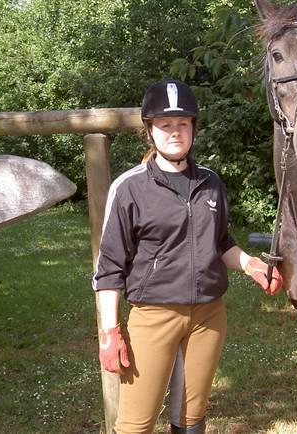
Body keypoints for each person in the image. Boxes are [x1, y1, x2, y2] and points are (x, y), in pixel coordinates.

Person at [92, 79, 283, 434]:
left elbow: (221, 241)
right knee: (135, 423)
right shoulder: (129, 188)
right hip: (153, 316)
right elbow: (109, 269)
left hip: (209, 315)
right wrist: (110, 331)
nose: (175, 132)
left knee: (191, 418)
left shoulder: (211, 182)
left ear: (194, 128)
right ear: (149, 131)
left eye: (183, 123)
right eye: (165, 125)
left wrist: (251, 265)